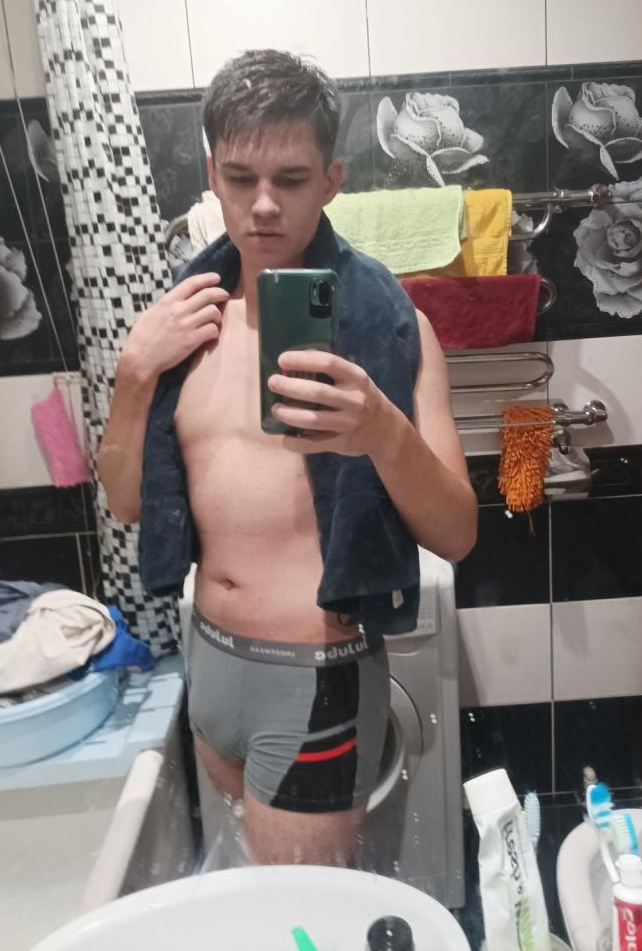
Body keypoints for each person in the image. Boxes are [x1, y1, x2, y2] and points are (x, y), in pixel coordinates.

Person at [98, 49, 477, 867]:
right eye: (240, 178)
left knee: (297, 919)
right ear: (212, 176)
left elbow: (457, 534)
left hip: (315, 675)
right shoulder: (180, 327)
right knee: (255, 898)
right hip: (209, 662)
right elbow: (126, 504)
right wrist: (132, 375)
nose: (263, 204)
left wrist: (382, 432)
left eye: (292, 179)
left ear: (332, 180)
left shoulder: (392, 325)